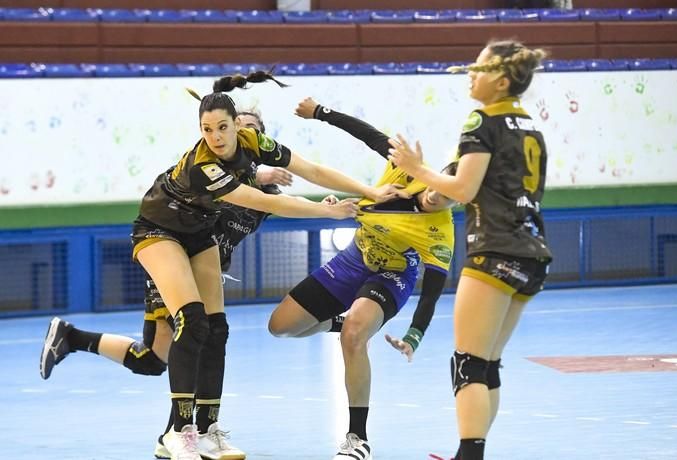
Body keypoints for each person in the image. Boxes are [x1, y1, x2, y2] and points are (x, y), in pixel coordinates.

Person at [42, 70, 405, 460]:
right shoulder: (205, 168)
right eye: (207, 129)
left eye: (223, 128)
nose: (215, 137)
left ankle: (206, 427)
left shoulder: (253, 145)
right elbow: (273, 203)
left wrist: (367, 191)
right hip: (159, 233)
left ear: (240, 130)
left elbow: (310, 171)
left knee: (209, 332)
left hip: (199, 238)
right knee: (189, 326)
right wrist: (323, 211)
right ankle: (179, 432)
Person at [38, 110, 294, 459]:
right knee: (197, 336)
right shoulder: (211, 172)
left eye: (250, 130)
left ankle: (73, 338)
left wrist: (326, 204)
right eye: (234, 127)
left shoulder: (266, 192)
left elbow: (268, 201)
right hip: (175, 259)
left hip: (204, 270)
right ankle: (181, 433)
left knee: (155, 359)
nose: (235, 135)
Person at [387, 40, 553, 460]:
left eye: (478, 69)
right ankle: (474, 452)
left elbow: (463, 188)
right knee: (487, 363)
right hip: (532, 253)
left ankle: (469, 455)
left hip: (493, 251)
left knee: (467, 363)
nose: (470, 76)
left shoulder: (480, 121)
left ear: (501, 80)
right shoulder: (530, 125)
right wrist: (431, 192)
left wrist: (416, 171)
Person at [268, 97, 457, 460]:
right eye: (437, 186)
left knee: (355, 335)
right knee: (280, 326)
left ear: (457, 202)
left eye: (447, 198)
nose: (436, 197)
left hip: (392, 276)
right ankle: (339, 322)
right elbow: (367, 134)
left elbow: (431, 295)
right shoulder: (407, 169)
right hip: (355, 258)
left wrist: (413, 338)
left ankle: (358, 438)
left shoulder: (440, 235)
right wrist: (320, 113)